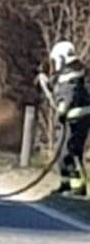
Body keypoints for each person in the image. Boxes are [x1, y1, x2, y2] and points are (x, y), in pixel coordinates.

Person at [45, 40, 90, 196]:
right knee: (64, 152)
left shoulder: (71, 73)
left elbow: (66, 95)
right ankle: (66, 184)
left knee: (69, 152)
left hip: (76, 119)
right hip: (74, 119)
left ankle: (77, 187)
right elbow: (60, 86)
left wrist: (61, 111)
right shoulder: (75, 70)